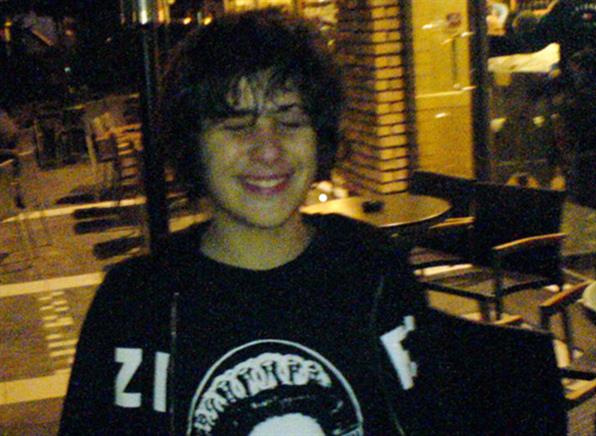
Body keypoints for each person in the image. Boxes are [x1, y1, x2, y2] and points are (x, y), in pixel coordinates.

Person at [59, 10, 435, 435]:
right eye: (237, 124)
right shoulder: (135, 304)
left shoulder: (374, 270)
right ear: (193, 144)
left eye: (290, 121)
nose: (268, 150)